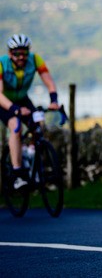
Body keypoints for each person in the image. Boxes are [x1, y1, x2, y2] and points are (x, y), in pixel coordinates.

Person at [0, 34, 60, 189]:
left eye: (24, 53)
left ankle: (30, 153)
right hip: (4, 102)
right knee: (16, 126)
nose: (21, 57)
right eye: (16, 53)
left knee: (38, 122)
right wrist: (16, 110)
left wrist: (54, 100)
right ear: (10, 54)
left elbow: (49, 81)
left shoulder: (35, 60)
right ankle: (17, 174)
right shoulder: (2, 63)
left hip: (22, 99)